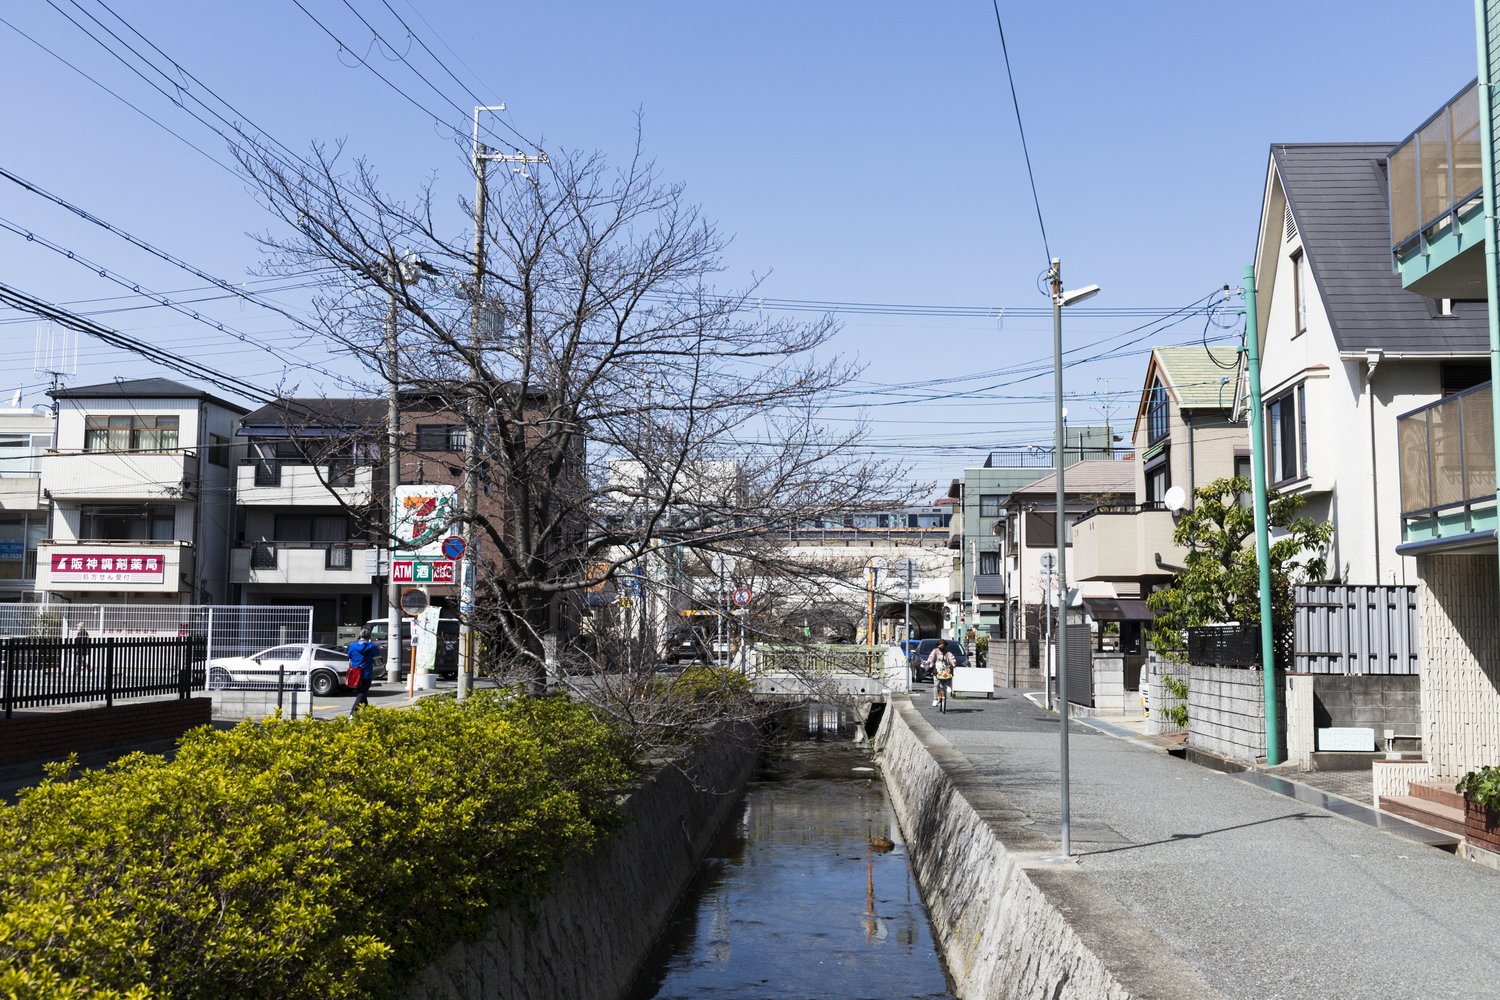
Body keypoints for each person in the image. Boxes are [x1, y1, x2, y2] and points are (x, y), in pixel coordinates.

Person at [346, 628, 379, 716]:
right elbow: (377, 653)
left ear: (360, 635)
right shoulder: (371, 646)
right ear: (369, 637)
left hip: (355, 673)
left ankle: (369, 713)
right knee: (361, 693)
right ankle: (352, 714)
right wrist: (370, 642)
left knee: (362, 693)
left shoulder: (352, 646)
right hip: (366, 674)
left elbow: (348, 656)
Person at [925, 644, 956, 709]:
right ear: (938, 646)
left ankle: (948, 687)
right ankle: (935, 699)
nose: (941, 648)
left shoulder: (948, 653)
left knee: (949, 677)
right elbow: (931, 657)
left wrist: (953, 663)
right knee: (936, 685)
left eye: (943, 646)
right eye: (940, 646)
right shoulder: (935, 651)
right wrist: (929, 662)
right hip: (937, 669)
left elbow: (951, 658)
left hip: (945, 669)